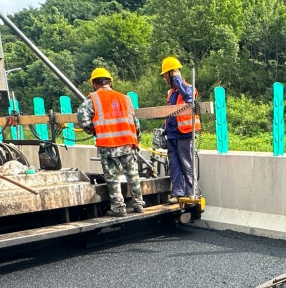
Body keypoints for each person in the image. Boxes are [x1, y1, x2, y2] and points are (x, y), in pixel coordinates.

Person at [77, 67, 145, 218]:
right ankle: (139, 204)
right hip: (127, 142)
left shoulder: (92, 100)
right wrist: (136, 139)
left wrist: (93, 130)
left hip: (108, 144)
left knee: (113, 177)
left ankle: (119, 208)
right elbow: (136, 123)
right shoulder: (125, 98)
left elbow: (82, 117)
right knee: (132, 174)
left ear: (94, 83)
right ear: (110, 82)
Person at [160, 56, 201, 202]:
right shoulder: (170, 93)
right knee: (175, 166)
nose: (165, 78)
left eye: (166, 75)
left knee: (187, 165)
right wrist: (163, 128)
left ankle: (192, 192)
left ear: (172, 74)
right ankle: (177, 193)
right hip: (172, 135)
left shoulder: (189, 88)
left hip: (185, 134)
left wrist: (177, 79)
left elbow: (189, 98)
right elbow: (170, 113)